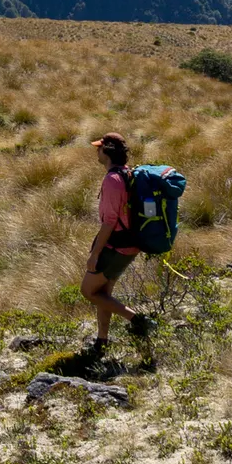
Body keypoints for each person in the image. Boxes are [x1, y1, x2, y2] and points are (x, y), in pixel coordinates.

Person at [80, 133, 154, 345]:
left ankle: (138, 320)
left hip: (115, 247)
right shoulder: (128, 174)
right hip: (130, 244)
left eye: (99, 148)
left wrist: (95, 254)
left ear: (107, 151)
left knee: (88, 291)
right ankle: (102, 340)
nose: (97, 151)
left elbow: (109, 222)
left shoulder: (112, 180)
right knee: (104, 293)